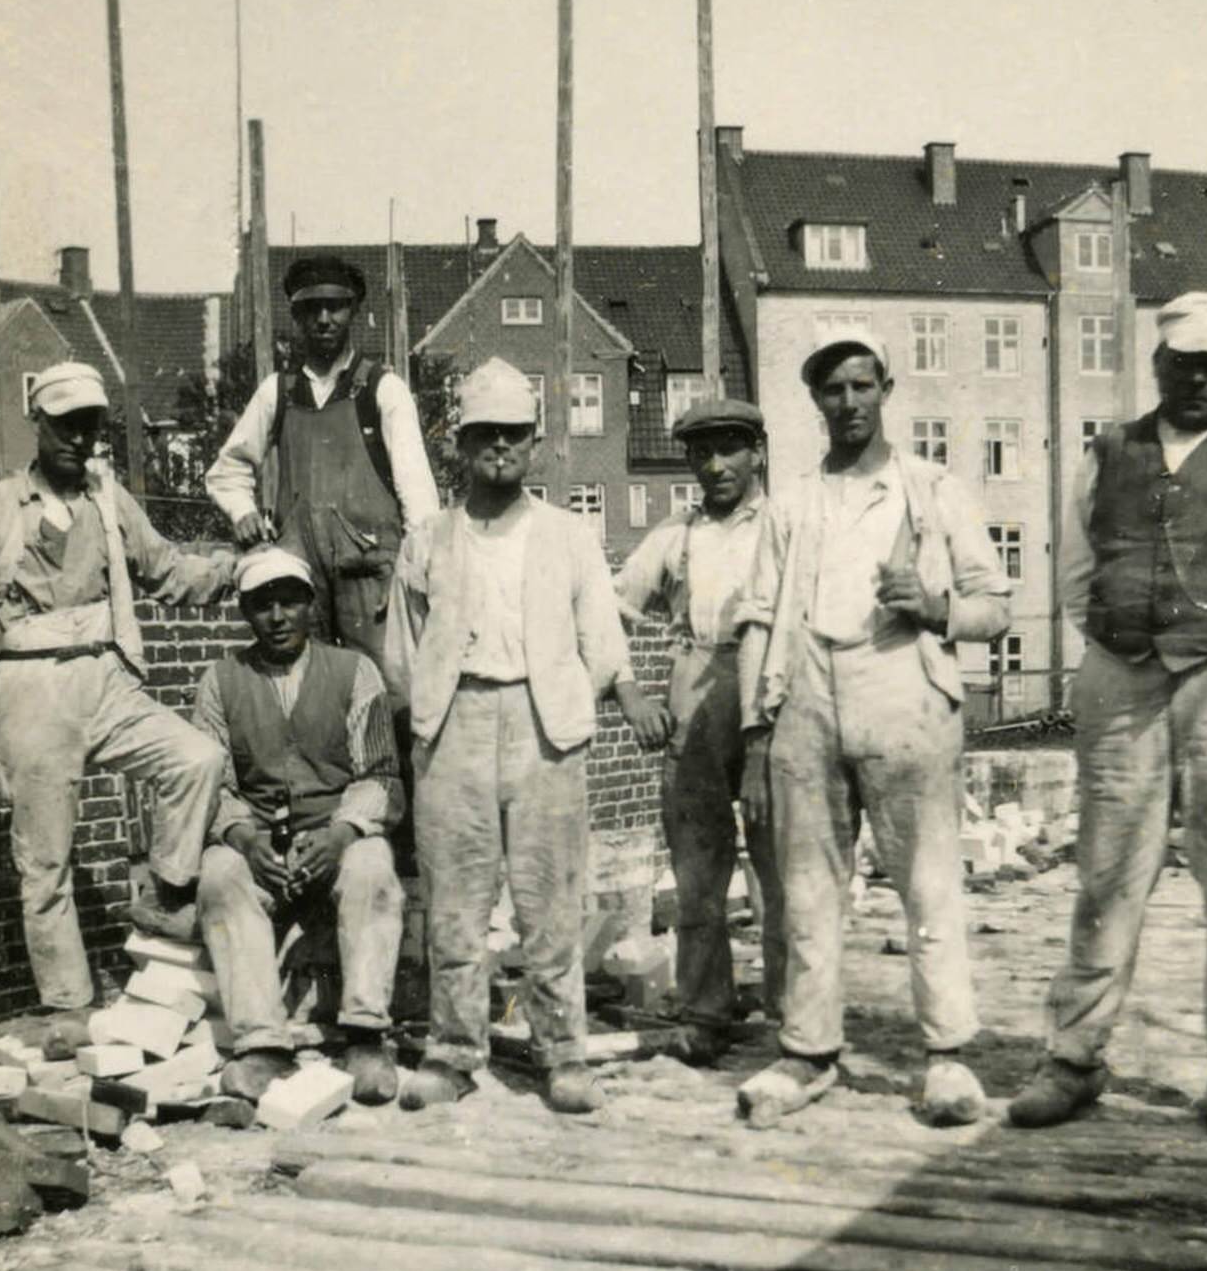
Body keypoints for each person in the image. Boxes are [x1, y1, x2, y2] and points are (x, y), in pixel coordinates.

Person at [735, 330, 1012, 1126]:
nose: (849, 403)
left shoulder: (932, 489)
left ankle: (948, 1055)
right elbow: (759, 617)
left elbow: (994, 603)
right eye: (832, 390)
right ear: (814, 400)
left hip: (904, 690)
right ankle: (808, 1049)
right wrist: (759, 729)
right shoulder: (790, 501)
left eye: (862, 386)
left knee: (927, 881)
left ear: (886, 387)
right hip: (808, 694)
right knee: (807, 889)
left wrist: (936, 608)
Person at [384, 356, 670, 1114]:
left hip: (547, 729)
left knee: (549, 901)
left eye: (513, 434)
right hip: (456, 727)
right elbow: (404, 651)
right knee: (456, 903)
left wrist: (627, 691)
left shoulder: (568, 536)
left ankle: (563, 1053)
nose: (500, 448)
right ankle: (452, 1051)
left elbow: (600, 633)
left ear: (534, 443)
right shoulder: (428, 540)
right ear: (460, 443)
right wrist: (426, 722)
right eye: (484, 435)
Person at [1010, 290, 1207, 1137]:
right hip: (1122, 672)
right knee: (1108, 870)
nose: (1197, 376)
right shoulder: (1109, 450)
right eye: (1182, 361)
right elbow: (1076, 567)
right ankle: (1075, 1057)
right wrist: (1122, 636)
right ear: (1155, 365)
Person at [0, 361, 236, 1054]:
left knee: (197, 756)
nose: (80, 439)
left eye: (91, 425)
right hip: (30, 686)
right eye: (66, 424)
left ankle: (170, 897)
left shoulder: (109, 499)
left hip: (107, 677)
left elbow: (168, 567)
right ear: (39, 424)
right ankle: (67, 1006)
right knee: (45, 858)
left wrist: (237, 566)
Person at [192, 547, 404, 1104]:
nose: (278, 616)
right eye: (263, 605)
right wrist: (243, 837)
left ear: (311, 605)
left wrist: (340, 835)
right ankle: (263, 1044)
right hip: (258, 838)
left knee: (372, 867)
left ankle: (365, 1034)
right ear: (245, 613)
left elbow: (381, 773)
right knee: (218, 873)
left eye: (290, 601)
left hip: (334, 832)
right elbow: (210, 784)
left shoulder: (355, 672)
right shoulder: (219, 681)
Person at [614, 396, 784, 1062]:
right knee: (697, 868)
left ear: (757, 451)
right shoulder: (675, 535)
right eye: (702, 451)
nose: (716, 465)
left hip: (771, 686)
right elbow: (606, 609)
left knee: (782, 865)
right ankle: (706, 1010)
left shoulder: (786, 525)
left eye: (730, 449)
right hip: (696, 680)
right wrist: (630, 694)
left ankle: (793, 1015)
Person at [204, 254, 440, 660]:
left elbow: (418, 495)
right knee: (307, 692)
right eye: (312, 309)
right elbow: (228, 469)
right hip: (300, 579)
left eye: (336, 307)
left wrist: (414, 572)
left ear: (354, 311)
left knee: (388, 692)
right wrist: (242, 511)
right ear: (297, 317)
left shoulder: (382, 389)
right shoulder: (278, 392)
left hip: (372, 577)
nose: (325, 319)